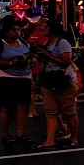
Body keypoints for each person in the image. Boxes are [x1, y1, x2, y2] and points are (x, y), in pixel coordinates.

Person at [34, 19, 79, 150]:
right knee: (50, 111)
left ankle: (73, 137)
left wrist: (47, 55)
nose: (44, 28)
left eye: (46, 26)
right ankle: (49, 141)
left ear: (53, 29)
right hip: (49, 79)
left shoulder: (62, 43)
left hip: (63, 80)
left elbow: (66, 62)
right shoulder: (47, 42)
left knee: (69, 111)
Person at [0, 16, 33, 144]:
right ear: (7, 32)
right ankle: (6, 134)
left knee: (23, 106)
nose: (17, 32)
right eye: (13, 30)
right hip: (6, 77)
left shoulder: (24, 43)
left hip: (24, 77)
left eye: (18, 30)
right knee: (6, 107)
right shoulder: (0, 44)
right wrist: (10, 63)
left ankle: (20, 134)